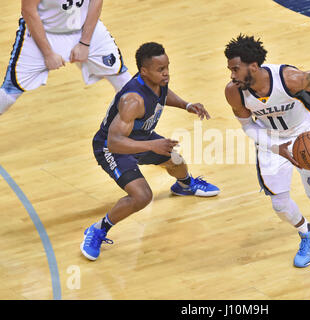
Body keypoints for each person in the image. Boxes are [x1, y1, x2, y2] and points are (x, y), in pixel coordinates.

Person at [81, 42, 220, 261]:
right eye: (160, 70)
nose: (166, 73)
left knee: (175, 159)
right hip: (111, 147)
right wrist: (152, 145)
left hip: (140, 138)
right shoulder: (132, 101)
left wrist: (186, 105)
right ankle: (98, 230)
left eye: (167, 67)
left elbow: (162, 94)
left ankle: (185, 186)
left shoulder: (157, 80)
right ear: (144, 71)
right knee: (142, 196)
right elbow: (115, 142)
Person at [224, 34, 310, 268]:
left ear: (254, 67)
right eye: (230, 69)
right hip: (271, 141)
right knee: (279, 203)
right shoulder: (234, 91)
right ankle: (309, 233)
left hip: (306, 135)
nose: (232, 75)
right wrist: (277, 147)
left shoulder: (290, 79)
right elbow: (248, 125)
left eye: (236, 69)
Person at [0, 0, 132, 115]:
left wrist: (85, 42)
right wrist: (48, 53)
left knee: (128, 86)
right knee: (9, 92)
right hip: (43, 31)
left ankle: (132, 134)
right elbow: (28, 10)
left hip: (83, 24)